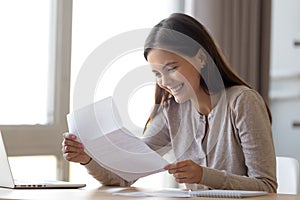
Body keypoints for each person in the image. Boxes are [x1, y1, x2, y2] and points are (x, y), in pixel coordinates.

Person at [62, 13, 277, 192]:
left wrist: (204, 176)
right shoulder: (171, 111)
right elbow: (125, 176)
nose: (164, 82)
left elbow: (266, 186)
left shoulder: (242, 102)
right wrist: (86, 158)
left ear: (201, 59)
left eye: (171, 68)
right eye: (157, 73)